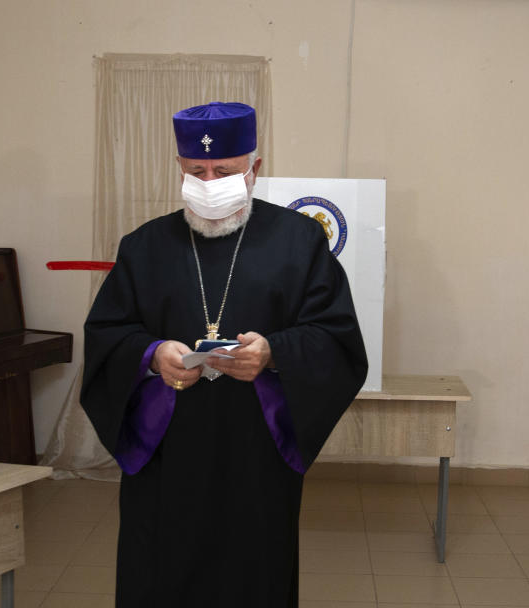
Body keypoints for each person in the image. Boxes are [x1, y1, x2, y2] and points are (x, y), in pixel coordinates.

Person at [81, 101, 368, 606]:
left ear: (254, 170)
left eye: (224, 171)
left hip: (255, 452)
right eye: (197, 172)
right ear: (180, 169)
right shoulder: (144, 246)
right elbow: (107, 332)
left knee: (253, 575)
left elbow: (336, 335)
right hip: (169, 456)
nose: (209, 183)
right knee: (162, 573)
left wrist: (274, 352)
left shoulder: (299, 241)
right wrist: (152, 355)